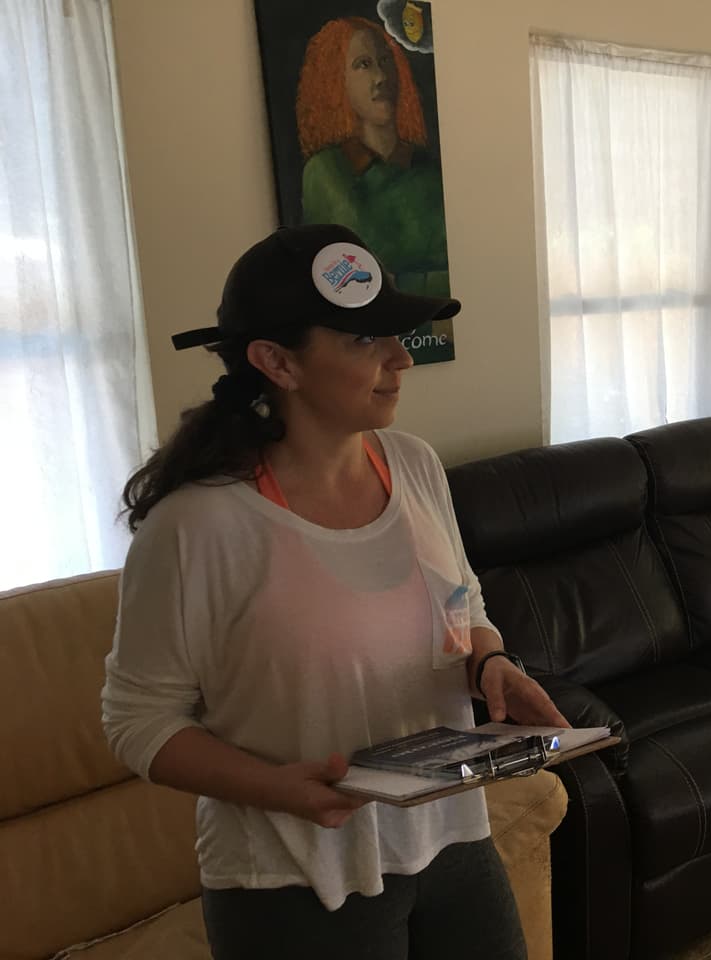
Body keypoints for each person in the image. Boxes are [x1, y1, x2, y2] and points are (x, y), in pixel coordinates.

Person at [102, 223, 567, 960]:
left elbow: (462, 602)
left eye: (396, 333)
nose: (400, 357)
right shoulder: (197, 526)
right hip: (293, 880)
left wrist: (488, 662)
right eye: (364, 340)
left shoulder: (413, 465)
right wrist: (276, 787)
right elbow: (137, 720)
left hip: (449, 837)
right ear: (276, 362)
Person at [297, 17, 450, 299]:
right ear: (336, 80)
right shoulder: (326, 171)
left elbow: (464, 273)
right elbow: (350, 284)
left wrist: (399, 282)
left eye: (385, 61)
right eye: (363, 64)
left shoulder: (429, 170)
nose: (381, 77)